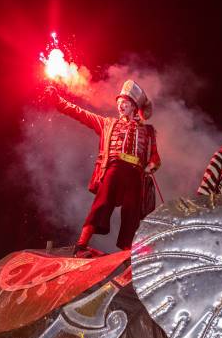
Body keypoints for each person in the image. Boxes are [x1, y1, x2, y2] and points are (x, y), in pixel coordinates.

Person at [48, 80, 160, 256]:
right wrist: (58, 100)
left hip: (135, 174)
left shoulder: (148, 132)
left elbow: (155, 158)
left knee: (132, 209)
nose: (120, 106)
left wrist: (150, 167)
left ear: (133, 106)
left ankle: (127, 249)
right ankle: (82, 243)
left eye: (124, 103)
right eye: (119, 103)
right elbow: (81, 114)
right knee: (102, 202)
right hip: (114, 168)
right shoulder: (107, 124)